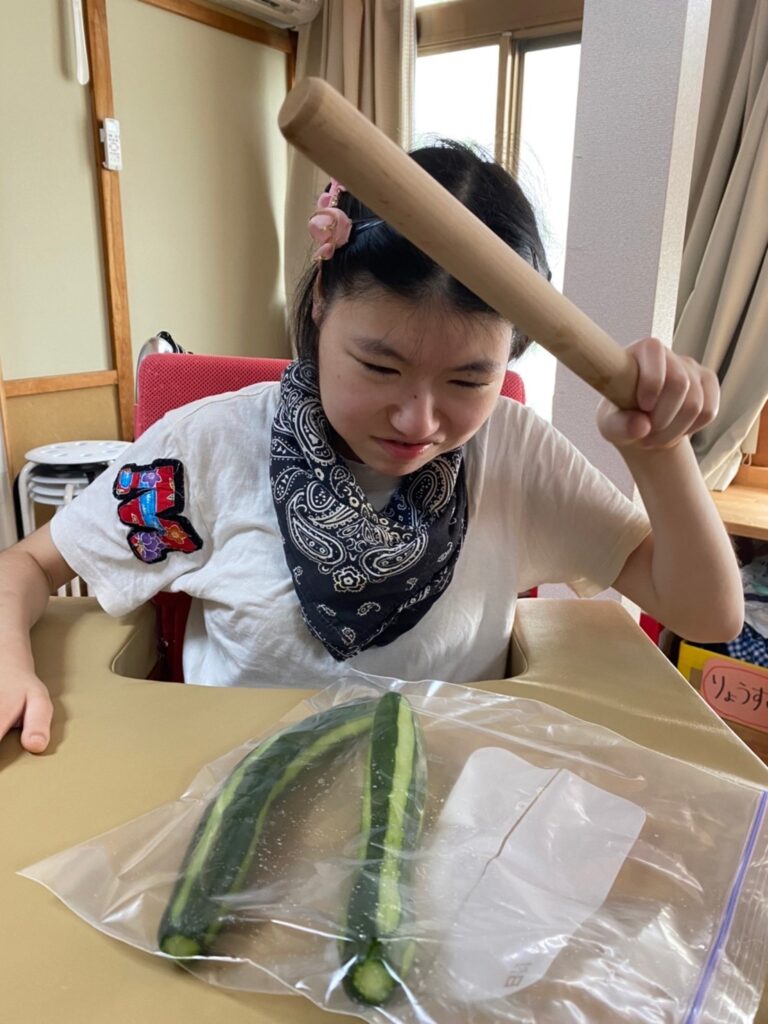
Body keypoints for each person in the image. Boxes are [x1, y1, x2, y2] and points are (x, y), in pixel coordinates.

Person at [0, 141, 743, 754]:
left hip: (441, 817)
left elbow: (707, 614)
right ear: (321, 302)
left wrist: (660, 448)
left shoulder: (514, 455)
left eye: (468, 379)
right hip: (226, 802)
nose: (418, 421)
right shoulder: (208, 448)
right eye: (380, 367)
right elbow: (29, 565)